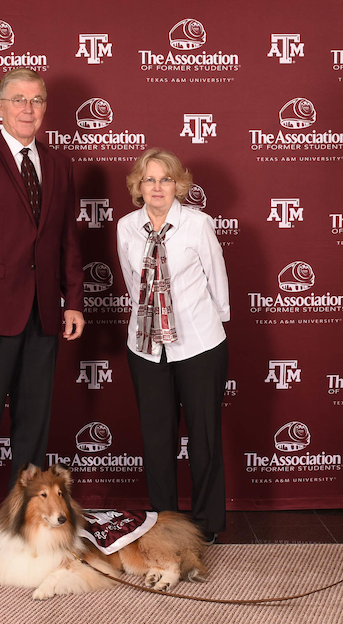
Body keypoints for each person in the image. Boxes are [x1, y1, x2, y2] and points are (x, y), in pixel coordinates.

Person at [0, 69, 85, 552]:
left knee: (33, 423)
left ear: (46, 108)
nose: (28, 108)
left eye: (37, 100)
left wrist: (73, 301)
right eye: (19, 100)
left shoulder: (60, 164)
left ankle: (23, 521)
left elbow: (67, 239)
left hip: (44, 313)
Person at [117, 148, 229, 544]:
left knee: (204, 436)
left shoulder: (198, 224)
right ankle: (164, 521)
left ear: (178, 184)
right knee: (157, 437)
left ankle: (207, 522)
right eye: (149, 179)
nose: (158, 187)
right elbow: (134, 284)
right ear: (138, 186)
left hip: (199, 343)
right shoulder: (126, 227)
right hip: (146, 348)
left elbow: (217, 281)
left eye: (165, 179)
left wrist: (209, 323)